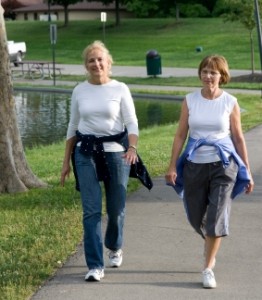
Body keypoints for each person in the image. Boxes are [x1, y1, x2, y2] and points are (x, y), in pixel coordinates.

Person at [165, 55, 254, 289]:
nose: (208, 76)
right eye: (205, 71)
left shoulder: (230, 101)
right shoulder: (190, 100)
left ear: (222, 76)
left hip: (224, 166)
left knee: (216, 216)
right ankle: (211, 243)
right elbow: (180, 135)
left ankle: (207, 267)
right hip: (195, 165)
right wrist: (172, 164)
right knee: (196, 217)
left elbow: (238, 137)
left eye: (213, 72)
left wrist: (247, 170)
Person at [60, 40, 139, 282]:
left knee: (116, 209)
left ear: (108, 63)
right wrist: (65, 162)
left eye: (100, 59)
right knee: (91, 210)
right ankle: (95, 265)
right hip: (85, 153)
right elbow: (73, 126)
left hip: (116, 153)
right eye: (91, 60)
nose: (96, 64)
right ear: (86, 65)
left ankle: (114, 246)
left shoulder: (120, 88)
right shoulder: (79, 90)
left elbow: (132, 122)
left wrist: (132, 147)